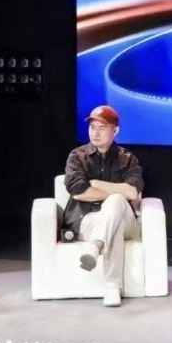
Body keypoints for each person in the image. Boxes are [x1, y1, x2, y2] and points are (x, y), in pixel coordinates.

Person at [62, 105, 145, 307]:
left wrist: (96, 184)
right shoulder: (77, 156)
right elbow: (79, 191)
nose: (95, 132)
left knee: (116, 202)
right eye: (92, 127)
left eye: (102, 128)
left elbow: (132, 192)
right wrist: (118, 190)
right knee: (114, 223)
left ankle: (96, 247)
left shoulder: (127, 158)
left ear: (115, 130)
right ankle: (112, 288)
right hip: (87, 220)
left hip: (126, 220)